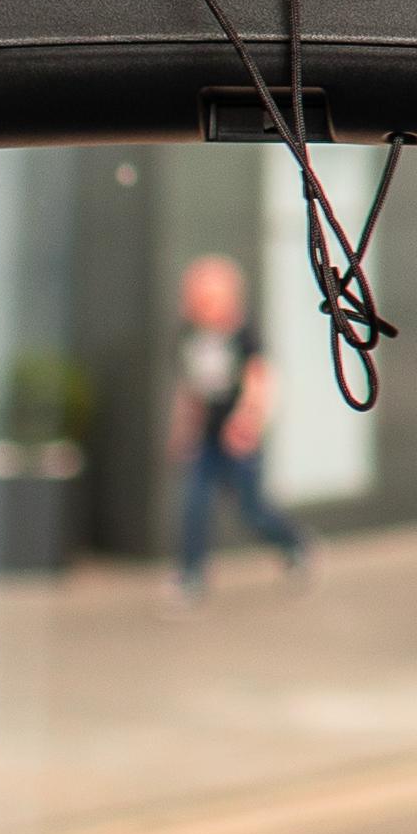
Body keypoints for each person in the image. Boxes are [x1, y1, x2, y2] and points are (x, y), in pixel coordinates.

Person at [170, 251, 312, 600]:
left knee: (252, 509)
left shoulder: (244, 334)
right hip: (207, 437)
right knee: (194, 505)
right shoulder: (188, 335)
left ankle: (294, 544)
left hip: (239, 438)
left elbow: (259, 380)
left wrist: (247, 421)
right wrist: (182, 430)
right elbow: (188, 389)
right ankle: (192, 577)